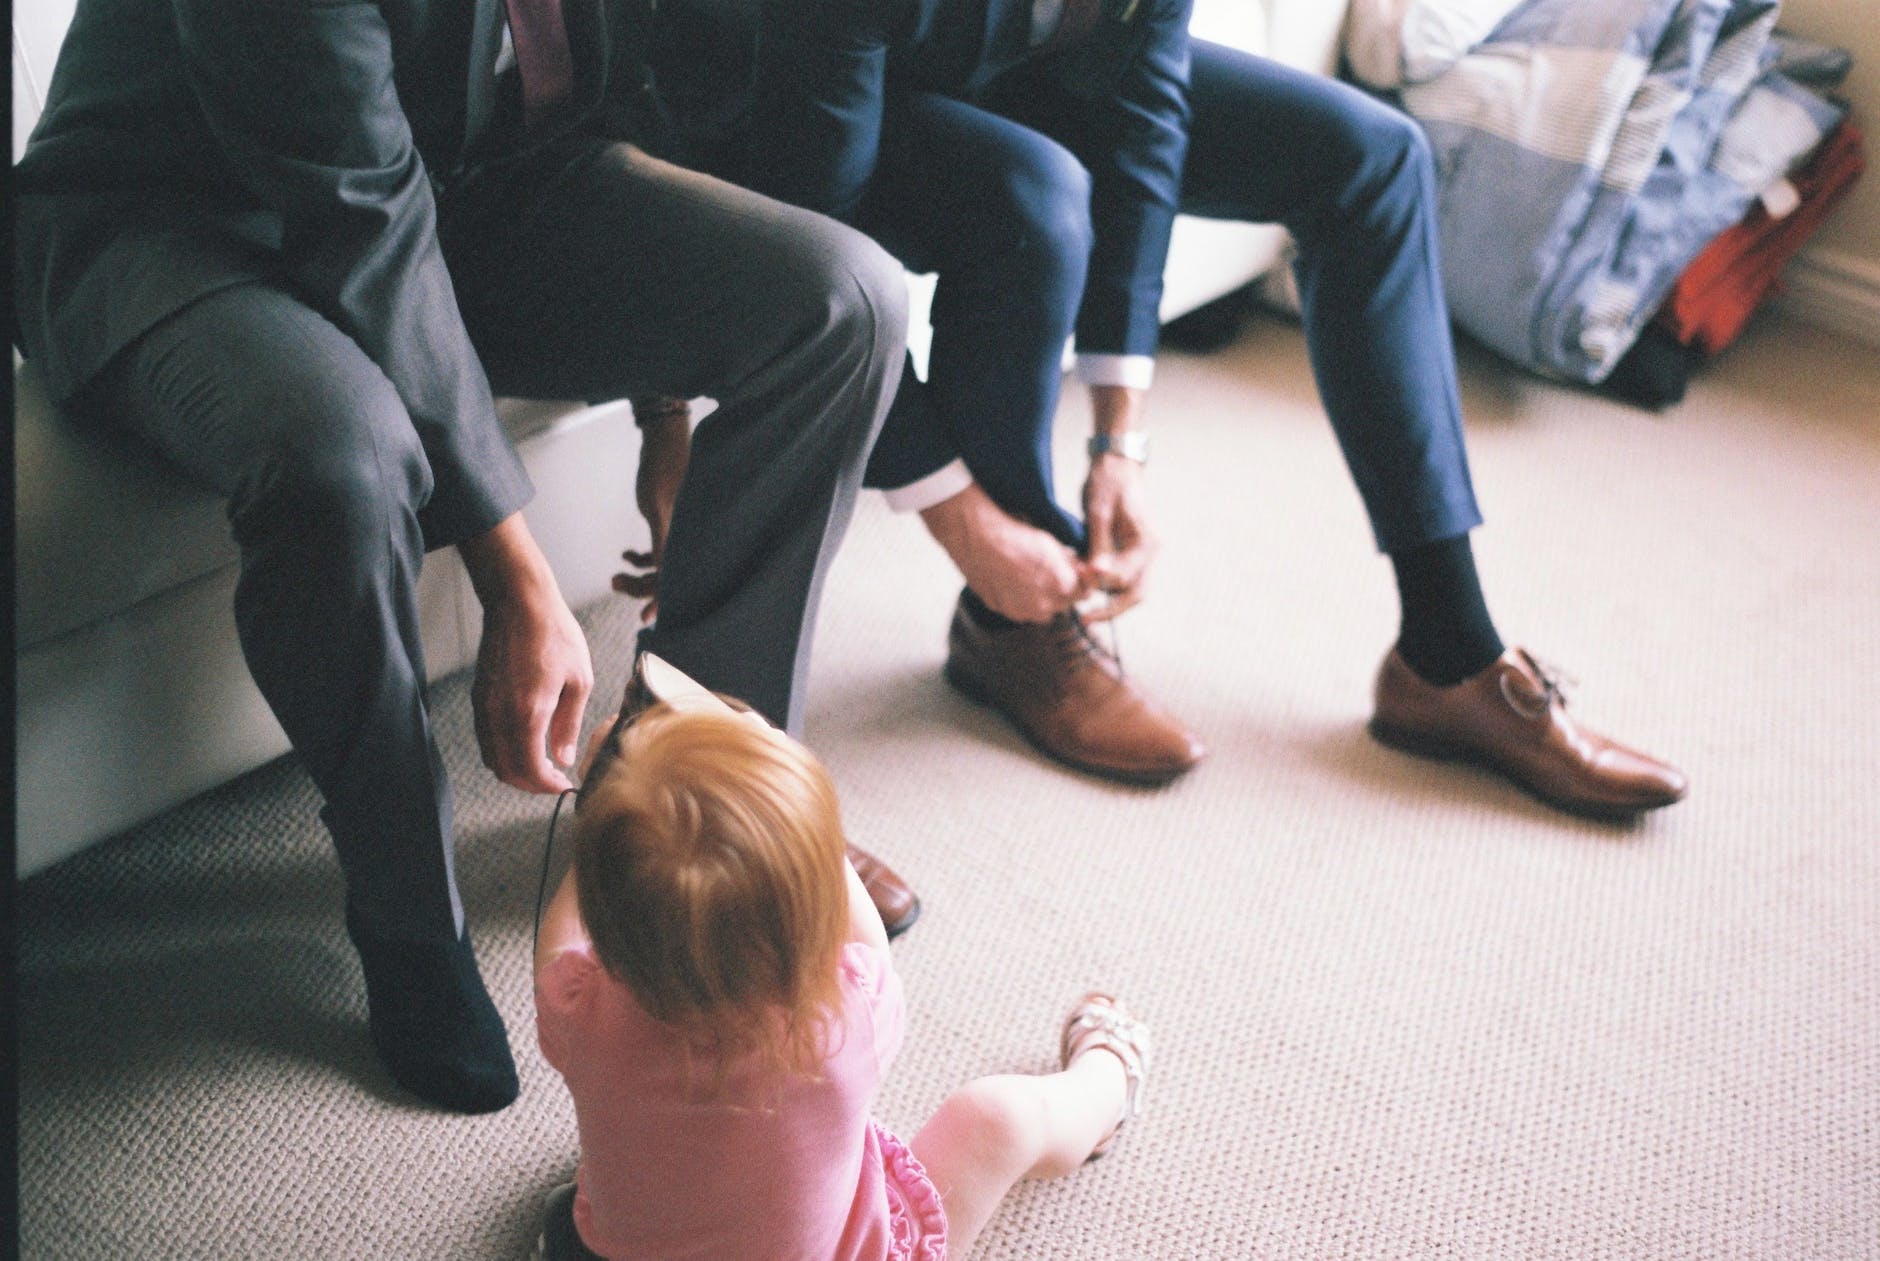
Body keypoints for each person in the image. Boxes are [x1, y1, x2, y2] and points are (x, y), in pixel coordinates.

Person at [13, 0, 917, 1116]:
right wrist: (516, 578)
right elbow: (353, 211)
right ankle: (404, 906)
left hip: (455, 190)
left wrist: (666, 416)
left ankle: (697, 798)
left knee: (847, 303)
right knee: (341, 457)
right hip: (175, 218)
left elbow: (621, 102)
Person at [644, 0, 1688, 818]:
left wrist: (1118, 440)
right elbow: (815, 262)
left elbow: (1143, 119)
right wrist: (966, 521)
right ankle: (1016, 608)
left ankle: (1447, 654)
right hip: (781, 94)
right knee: (1029, 198)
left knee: (1370, 161)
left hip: (996, 55)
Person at [531, 655, 1153, 1260]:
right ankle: (1107, 1081)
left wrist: (602, 802)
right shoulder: (844, 1016)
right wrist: (795, 805)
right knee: (996, 1121)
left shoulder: (579, 1009)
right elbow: (863, 935)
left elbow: (563, 930)